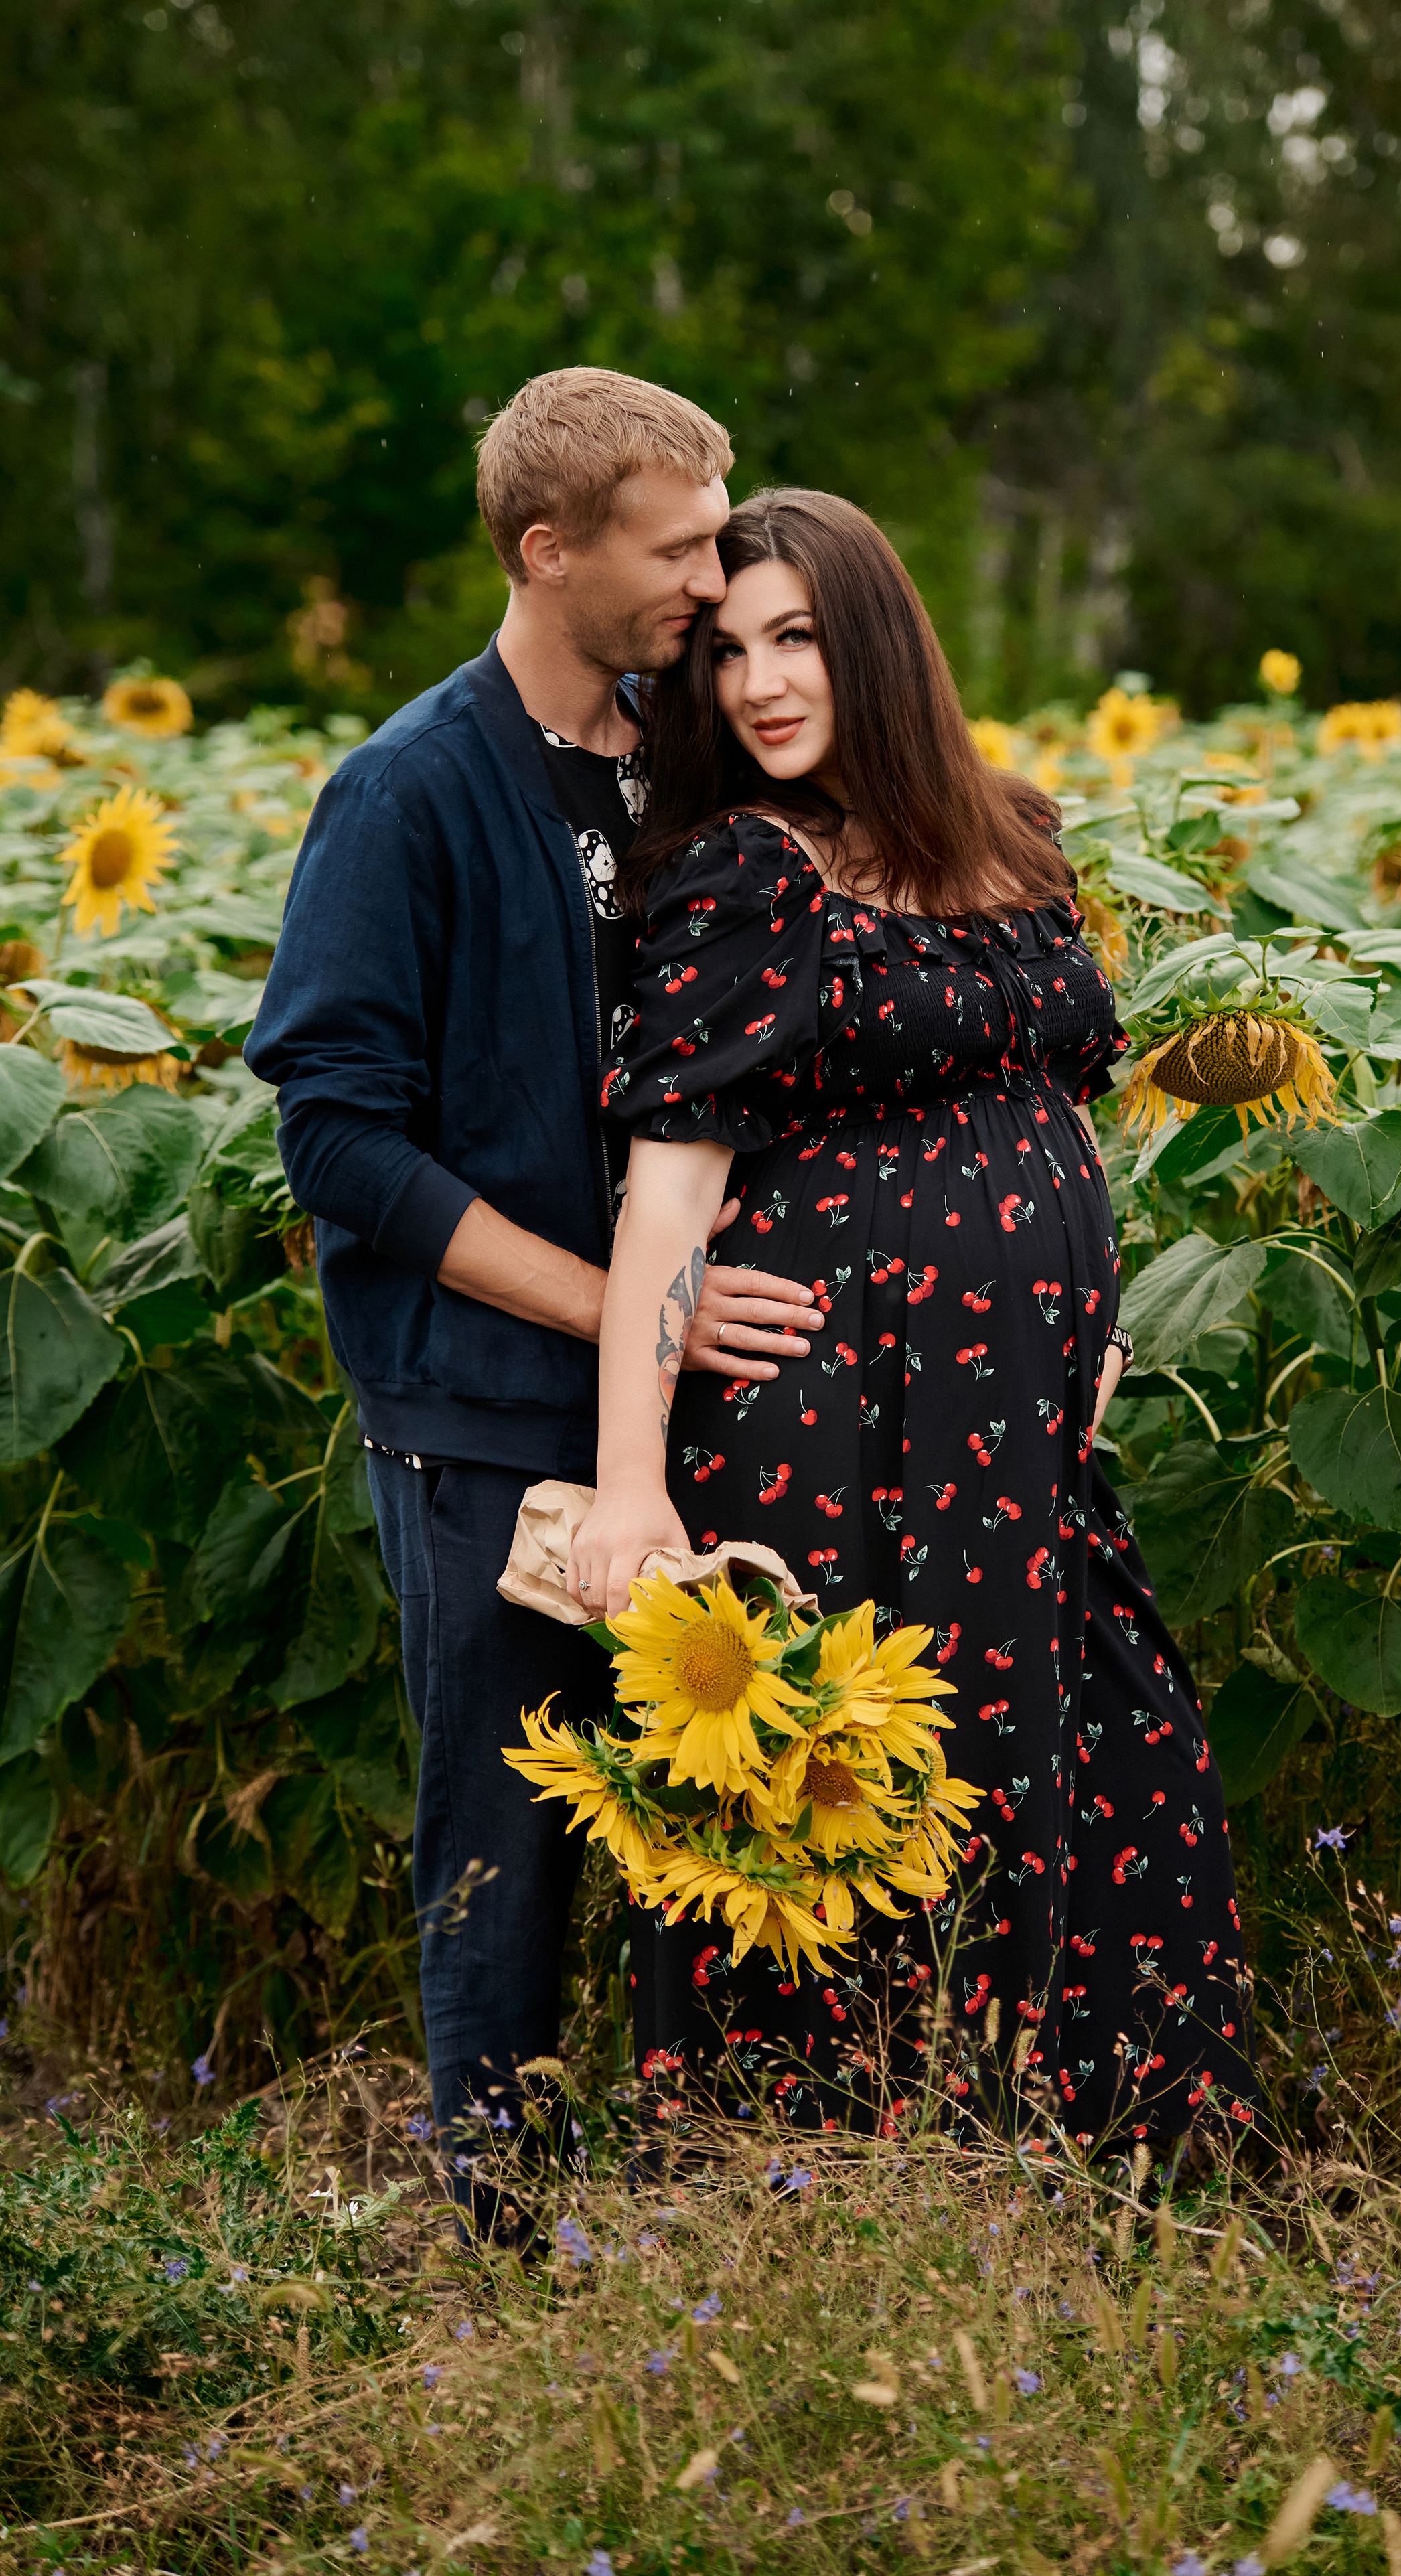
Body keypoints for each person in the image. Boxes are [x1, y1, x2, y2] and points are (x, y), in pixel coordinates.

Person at [572, 488, 1254, 2151]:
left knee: (1091, 1762)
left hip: (1014, 1425)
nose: (756, 687)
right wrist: (630, 1482)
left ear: (874, 638)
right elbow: (668, 1190)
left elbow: (1060, 1099)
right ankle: (822, 2185)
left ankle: (1077, 2162)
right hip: (839, 1423)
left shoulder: (1010, 833)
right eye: (724, 653)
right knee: (846, 1800)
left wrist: (1094, 1319)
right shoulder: (749, 871)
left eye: (794, 637)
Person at [246, 372, 828, 2198]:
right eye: (675, 547)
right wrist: (620, 1312)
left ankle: (706, 2200)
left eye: (719, 531)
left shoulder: (694, 752)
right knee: (502, 1837)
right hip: (484, 1416)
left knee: (718, 1822)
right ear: (544, 547)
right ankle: (492, 2226)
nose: (711, 577)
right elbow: (339, 1147)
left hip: (701, 1398)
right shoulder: (407, 791)